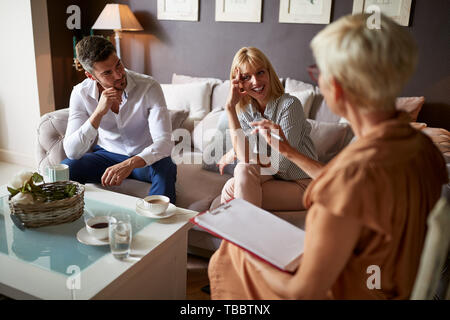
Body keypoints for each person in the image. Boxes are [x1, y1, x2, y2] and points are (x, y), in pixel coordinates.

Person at [208, 14, 448, 299]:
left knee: (228, 257)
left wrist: (248, 253)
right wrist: (287, 151)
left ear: (336, 86)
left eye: (319, 72)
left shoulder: (343, 184)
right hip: (397, 284)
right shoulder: (423, 150)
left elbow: (303, 292)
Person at [62, 36, 176, 203]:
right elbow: (72, 151)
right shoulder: (80, 93)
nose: (118, 75)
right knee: (67, 168)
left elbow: (165, 142)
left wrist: (128, 164)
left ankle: (159, 224)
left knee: (166, 166)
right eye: (107, 73)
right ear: (91, 76)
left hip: (142, 158)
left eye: (118, 65)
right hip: (106, 156)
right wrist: (98, 113)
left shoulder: (149, 86)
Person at [218, 47, 317, 210]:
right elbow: (245, 160)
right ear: (239, 83)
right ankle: (238, 235)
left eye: (260, 73)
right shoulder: (245, 111)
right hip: (273, 179)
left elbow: (280, 164)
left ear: (269, 73)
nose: (255, 82)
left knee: (232, 190)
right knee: (238, 175)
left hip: (303, 184)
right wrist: (230, 107)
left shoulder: (289, 105)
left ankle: (235, 235)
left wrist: (236, 153)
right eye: (246, 77)